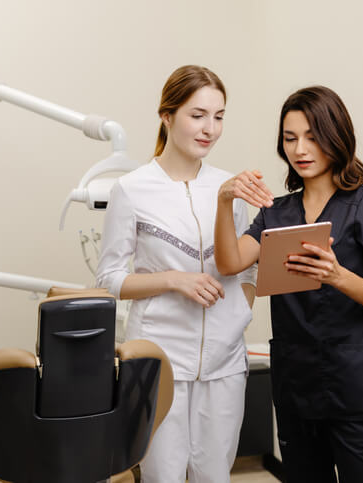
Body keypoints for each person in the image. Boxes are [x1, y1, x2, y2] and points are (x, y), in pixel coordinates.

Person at [214, 85, 363, 483]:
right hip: (295, 394)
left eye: (313, 137)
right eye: (290, 138)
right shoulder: (276, 213)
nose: (300, 149)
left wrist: (338, 276)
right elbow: (230, 262)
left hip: (356, 396)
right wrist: (224, 200)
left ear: (336, 136)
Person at [96, 65, 257, 483]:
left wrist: (240, 311)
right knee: (162, 477)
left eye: (219, 116)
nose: (210, 129)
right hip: (160, 361)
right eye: (198, 115)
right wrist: (173, 280)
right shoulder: (131, 189)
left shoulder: (230, 189)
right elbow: (109, 279)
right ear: (167, 116)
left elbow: (247, 268)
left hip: (225, 364)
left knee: (215, 476)